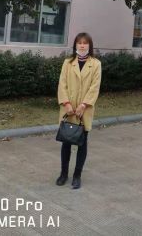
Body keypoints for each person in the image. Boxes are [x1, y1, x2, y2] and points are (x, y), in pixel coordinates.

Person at [56, 32, 101, 189]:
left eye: (85, 43)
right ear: (75, 45)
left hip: (84, 110)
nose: (82, 46)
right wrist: (67, 104)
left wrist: (83, 105)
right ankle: (63, 174)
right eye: (79, 43)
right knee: (66, 142)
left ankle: (77, 175)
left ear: (89, 45)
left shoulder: (96, 64)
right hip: (68, 109)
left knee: (82, 143)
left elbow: (94, 87)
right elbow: (62, 84)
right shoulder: (68, 63)